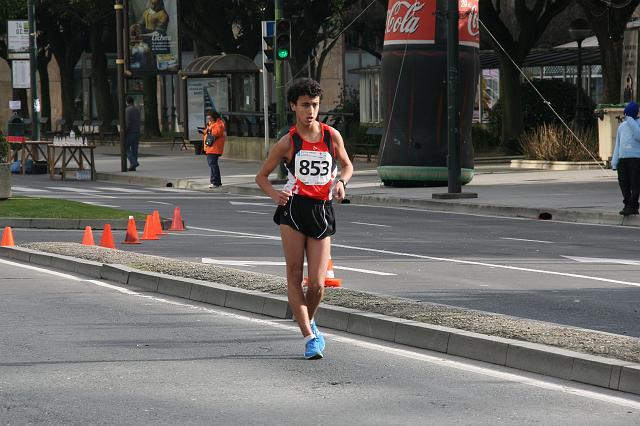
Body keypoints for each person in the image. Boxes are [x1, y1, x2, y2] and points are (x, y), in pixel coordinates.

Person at [255, 78, 353, 360]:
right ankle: (309, 336)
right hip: (294, 211)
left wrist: (341, 183)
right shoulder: (287, 143)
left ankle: (306, 318)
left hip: (322, 210)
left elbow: (346, 165)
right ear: (293, 106)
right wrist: (275, 195)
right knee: (295, 275)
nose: (311, 110)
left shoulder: (331, 136)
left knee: (318, 284)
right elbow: (261, 177)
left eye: (315, 105)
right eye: (305, 105)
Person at [612, 101, 640, 215]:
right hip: (623, 160)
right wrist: (615, 161)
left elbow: (639, 136)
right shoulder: (622, 126)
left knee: (636, 184)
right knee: (624, 184)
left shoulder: (638, 124)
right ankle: (629, 205)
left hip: (636, 159)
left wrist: (631, 121)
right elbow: (617, 145)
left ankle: (631, 206)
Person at [203, 110, 225, 188]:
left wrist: (209, 129)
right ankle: (215, 181)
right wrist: (205, 130)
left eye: (210, 118)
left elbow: (216, 132)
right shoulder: (212, 124)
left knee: (213, 164)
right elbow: (209, 132)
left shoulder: (219, 124)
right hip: (210, 147)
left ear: (214, 117)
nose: (208, 119)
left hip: (214, 148)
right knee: (212, 164)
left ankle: (215, 182)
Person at [125, 96, 141, 172]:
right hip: (137, 131)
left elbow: (128, 122)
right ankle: (133, 166)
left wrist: (125, 131)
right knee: (135, 149)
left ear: (127, 102)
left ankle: (134, 162)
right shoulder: (137, 109)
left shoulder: (128, 110)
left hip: (130, 132)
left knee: (125, 148)